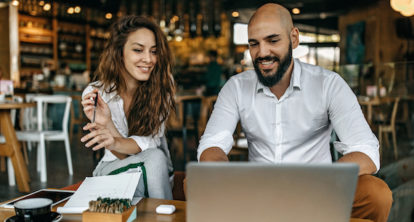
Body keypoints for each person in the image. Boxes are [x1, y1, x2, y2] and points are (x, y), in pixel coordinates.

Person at [197, 3, 392, 222]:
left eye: (273, 40)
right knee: (195, 183)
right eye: (254, 44)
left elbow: (366, 151)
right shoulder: (236, 87)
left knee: (376, 193)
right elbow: (211, 145)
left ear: (294, 38)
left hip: (319, 191)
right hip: (257, 193)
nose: (262, 53)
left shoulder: (328, 84)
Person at [81, 15, 175, 200]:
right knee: (154, 159)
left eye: (154, 51)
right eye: (138, 50)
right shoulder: (97, 93)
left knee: (152, 160)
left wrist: (114, 140)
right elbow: (122, 156)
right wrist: (106, 122)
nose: (148, 59)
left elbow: (149, 145)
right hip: (113, 169)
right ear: (119, 52)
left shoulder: (162, 87)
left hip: (153, 172)